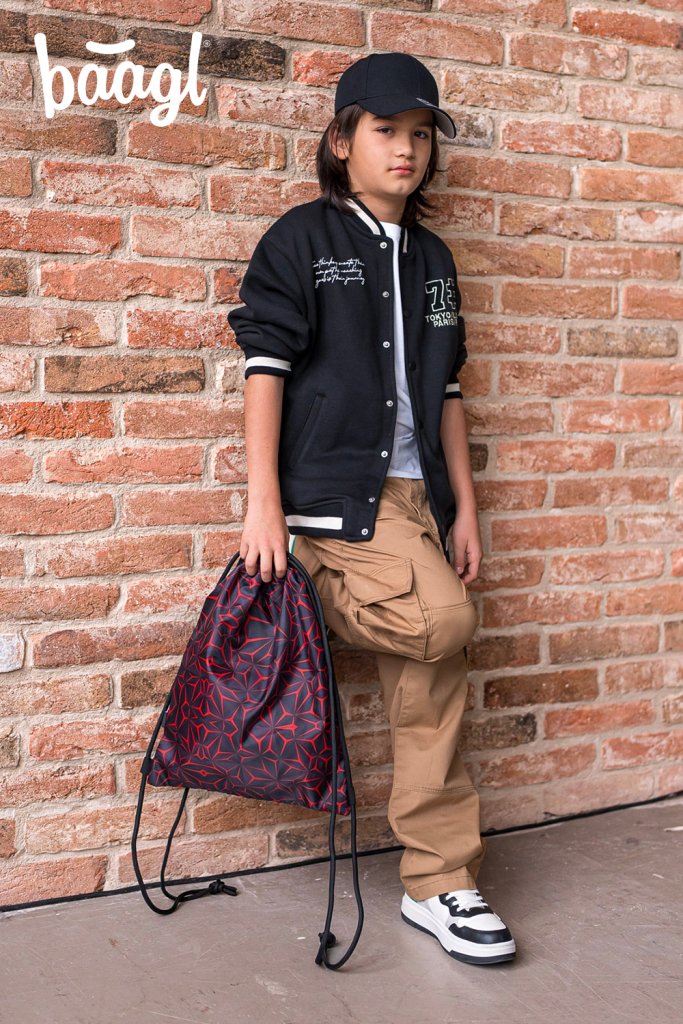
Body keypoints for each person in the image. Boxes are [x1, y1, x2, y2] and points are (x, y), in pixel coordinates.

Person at [227, 51, 516, 966]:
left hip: (418, 498)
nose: (406, 149)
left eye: (420, 134)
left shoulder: (433, 259)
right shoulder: (302, 239)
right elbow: (265, 368)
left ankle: (437, 883)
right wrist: (264, 507)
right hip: (335, 500)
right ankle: (313, 589)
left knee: (433, 682)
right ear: (340, 140)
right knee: (443, 622)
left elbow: (448, 390)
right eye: (386, 130)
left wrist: (463, 509)